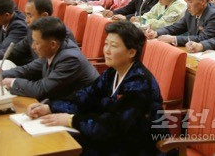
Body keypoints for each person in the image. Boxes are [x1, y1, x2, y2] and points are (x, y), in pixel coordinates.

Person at [26, 21, 168, 156]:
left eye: (113, 45)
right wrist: (50, 107)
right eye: (106, 44)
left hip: (135, 147)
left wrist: (71, 120)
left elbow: (114, 127)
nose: (106, 50)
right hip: (112, 139)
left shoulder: (139, 82)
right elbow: (85, 97)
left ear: (131, 52)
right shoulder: (112, 72)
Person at [0, 17, 99, 101]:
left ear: (52, 44)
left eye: (37, 43)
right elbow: (28, 69)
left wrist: (12, 82)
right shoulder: (53, 50)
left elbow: (42, 89)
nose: (33, 47)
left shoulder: (70, 59)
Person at [148, 0, 215, 46]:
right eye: (186, 1)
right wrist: (156, 33)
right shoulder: (190, 11)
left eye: (190, 2)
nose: (187, 6)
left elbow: (202, 38)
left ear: (203, 1)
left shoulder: (214, 16)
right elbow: (177, 27)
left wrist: (173, 39)